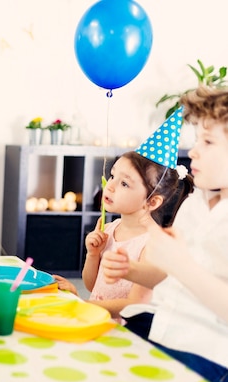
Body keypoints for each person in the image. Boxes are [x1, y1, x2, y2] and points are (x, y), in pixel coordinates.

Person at [101, 85, 228, 382]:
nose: (194, 150)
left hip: (210, 355)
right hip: (163, 329)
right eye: (197, 138)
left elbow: (185, 271)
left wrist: (182, 265)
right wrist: (132, 271)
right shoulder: (195, 203)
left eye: (208, 141)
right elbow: (169, 275)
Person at [54, 111, 194, 323]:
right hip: (95, 322)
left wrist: (80, 303)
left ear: (152, 201)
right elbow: (93, 286)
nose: (109, 186)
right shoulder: (111, 228)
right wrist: (93, 254)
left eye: (124, 183)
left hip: (122, 334)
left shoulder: (152, 245)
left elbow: (135, 304)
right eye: (112, 176)